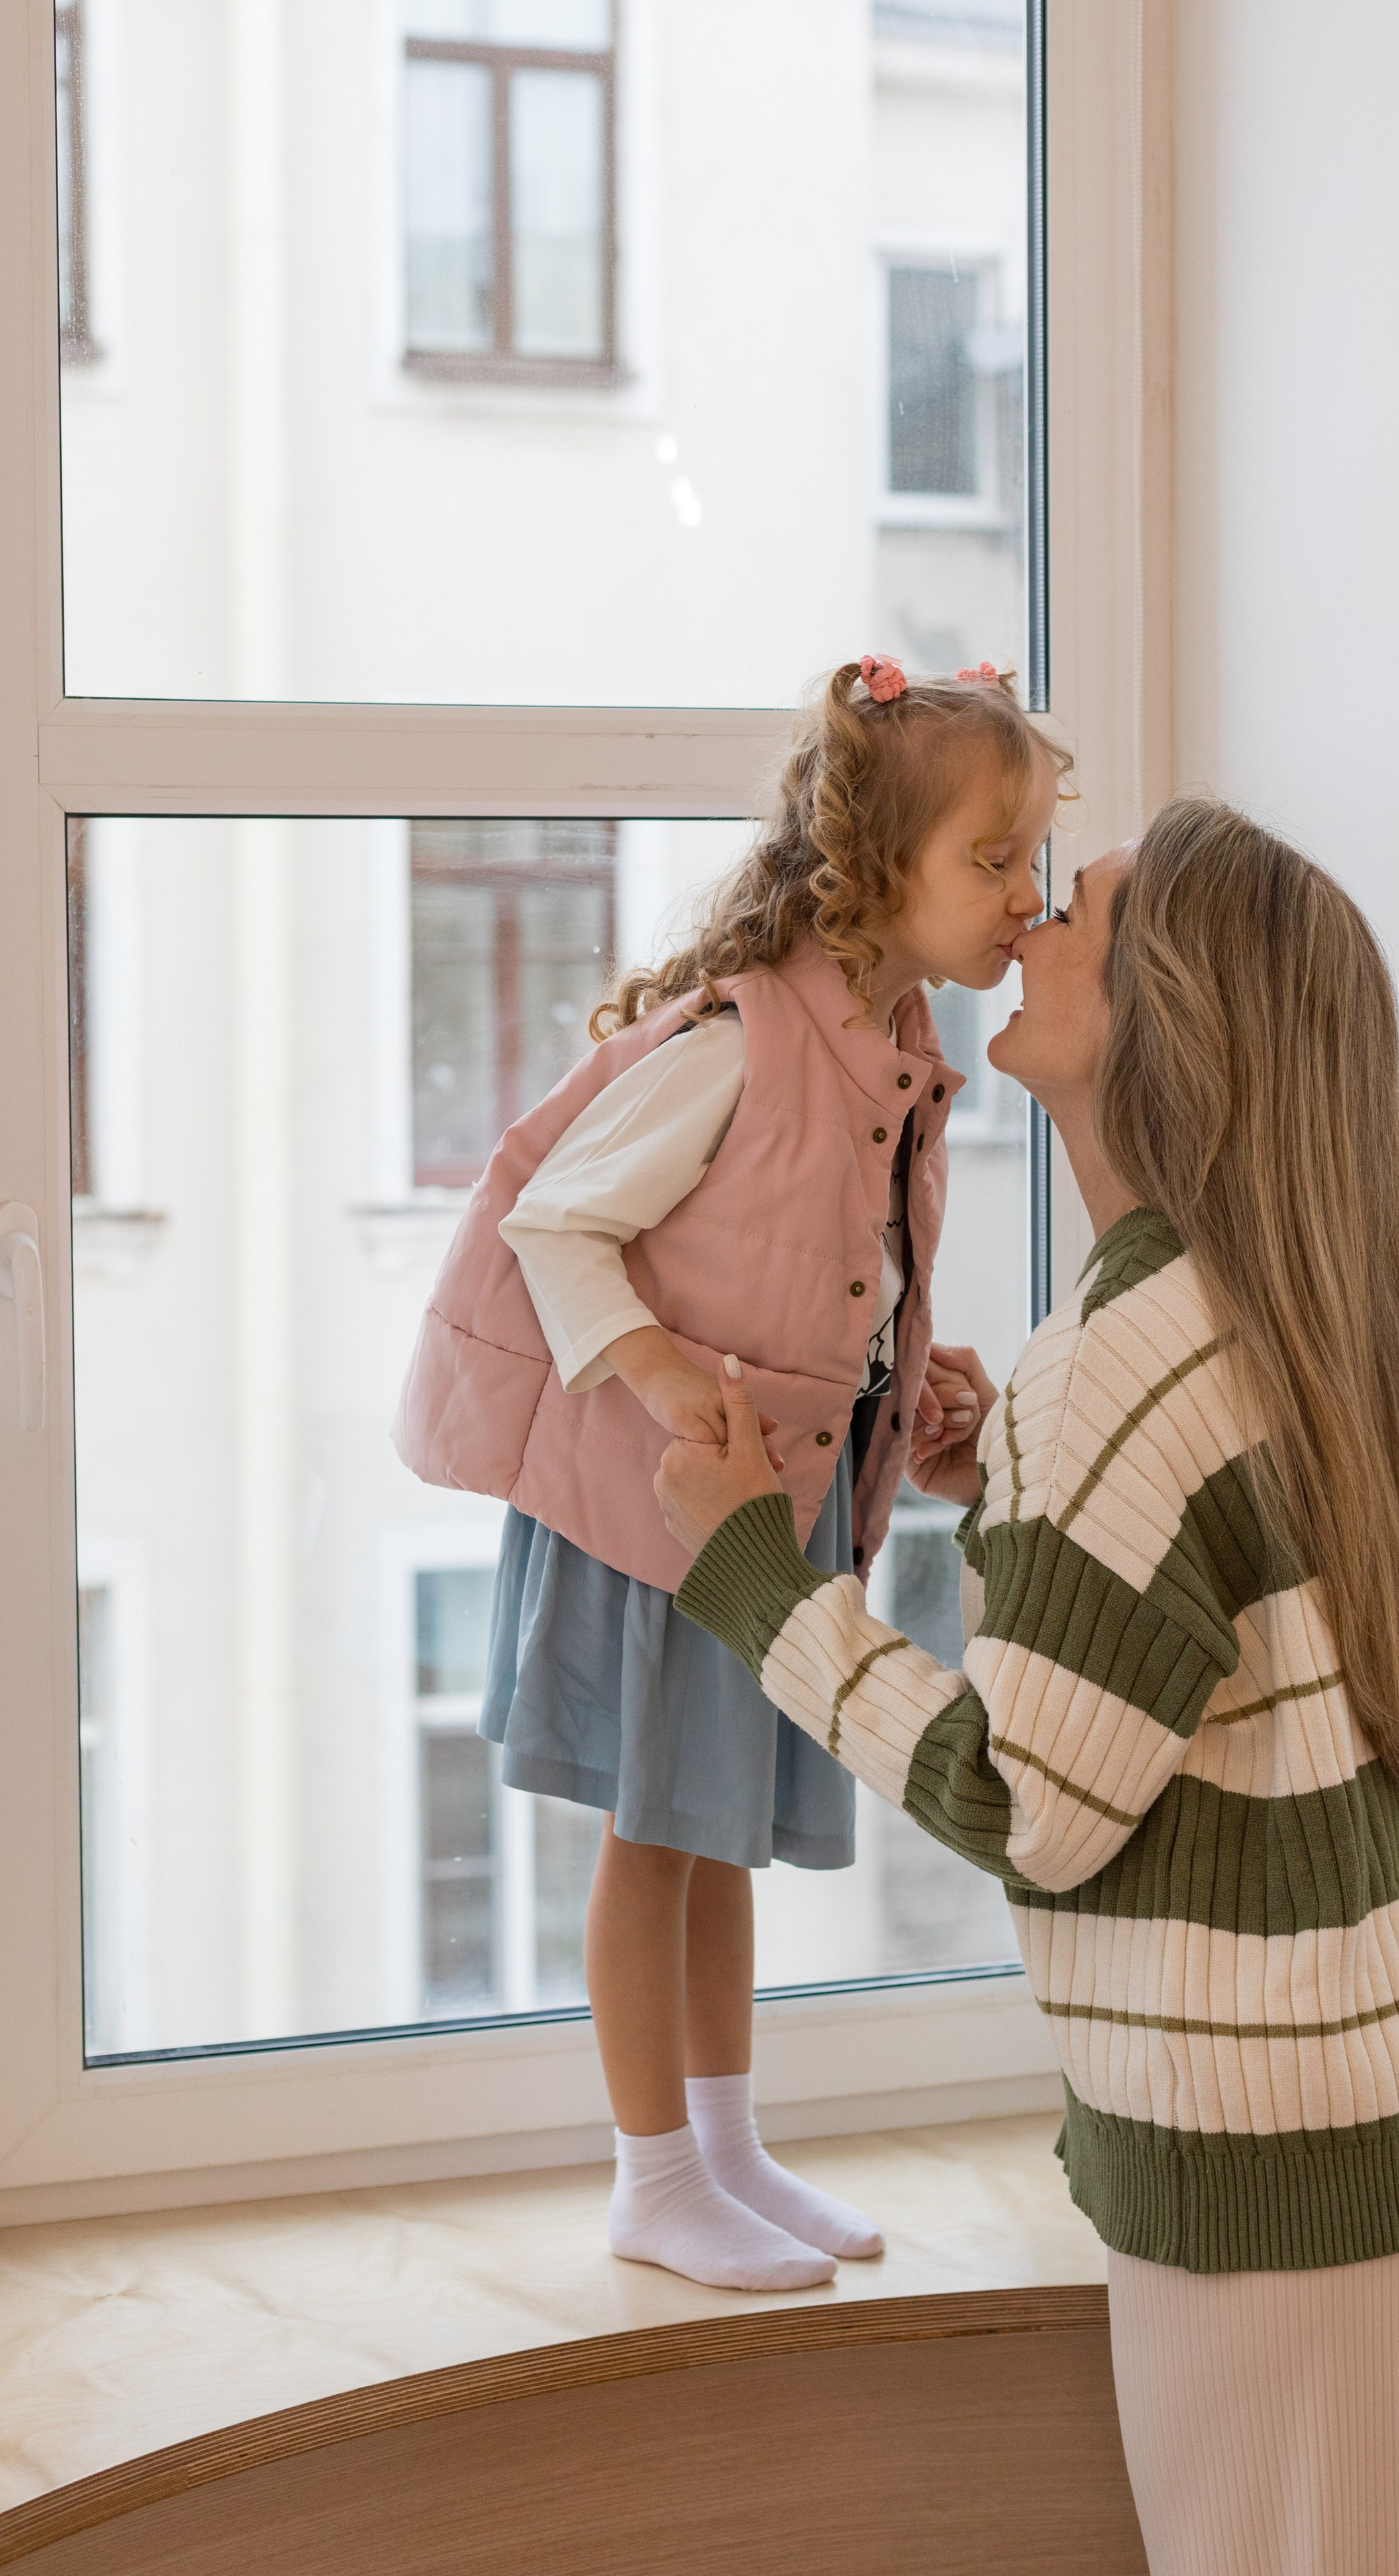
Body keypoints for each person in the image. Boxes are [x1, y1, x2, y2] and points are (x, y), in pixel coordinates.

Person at [658, 796, 1399, 2575]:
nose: (1030, 925)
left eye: (1080, 909)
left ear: (1169, 1024)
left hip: (1288, 2178)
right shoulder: (1298, 1305)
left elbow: (1024, 1807)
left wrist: (749, 1576)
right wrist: (1004, 1485)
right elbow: (1210, 1658)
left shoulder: (1123, 1355)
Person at [393, 657, 1066, 2296]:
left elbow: (820, 1259)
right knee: (657, 1840)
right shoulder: (737, 1038)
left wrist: (907, 1388)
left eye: (1032, 855)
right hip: (659, 1510)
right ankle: (648, 2173)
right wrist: (666, 1381)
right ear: (868, 870)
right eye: (991, 857)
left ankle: (723, 2143)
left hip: (769, 1510)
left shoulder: (889, 1040)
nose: (1026, 895)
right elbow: (556, 1218)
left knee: (722, 1832)